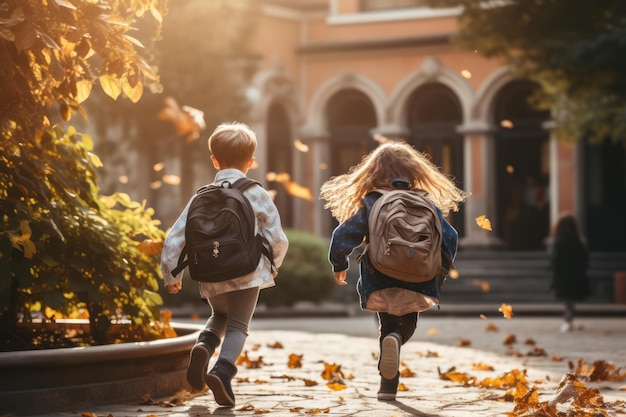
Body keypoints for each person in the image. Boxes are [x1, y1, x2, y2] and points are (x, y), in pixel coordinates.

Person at [319, 141, 466, 401]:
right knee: (407, 321)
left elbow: (342, 234)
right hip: (419, 275)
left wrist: (339, 264)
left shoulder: (373, 201)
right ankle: (397, 340)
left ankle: (388, 384)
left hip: (379, 274)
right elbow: (450, 237)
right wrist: (439, 268)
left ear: (373, 173)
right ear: (413, 172)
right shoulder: (425, 202)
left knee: (386, 324)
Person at [161, 122, 289, 407]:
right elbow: (278, 237)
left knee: (219, 316)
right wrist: (273, 263)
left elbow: (175, 237)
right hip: (247, 271)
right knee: (238, 326)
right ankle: (223, 370)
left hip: (210, 271)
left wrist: (172, 275)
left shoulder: (201, 195)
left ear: (214, 160)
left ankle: (203, 346)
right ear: (251, 161)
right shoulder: (255, 193)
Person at [548, 213, 590, 332]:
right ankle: (568, 319)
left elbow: (555, 259)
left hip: (563, 276)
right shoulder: (579, 242)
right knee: (569, 300)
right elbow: (585, 259)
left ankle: (568, 320)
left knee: (567, 300)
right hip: (576, 275)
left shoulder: (558, 241)